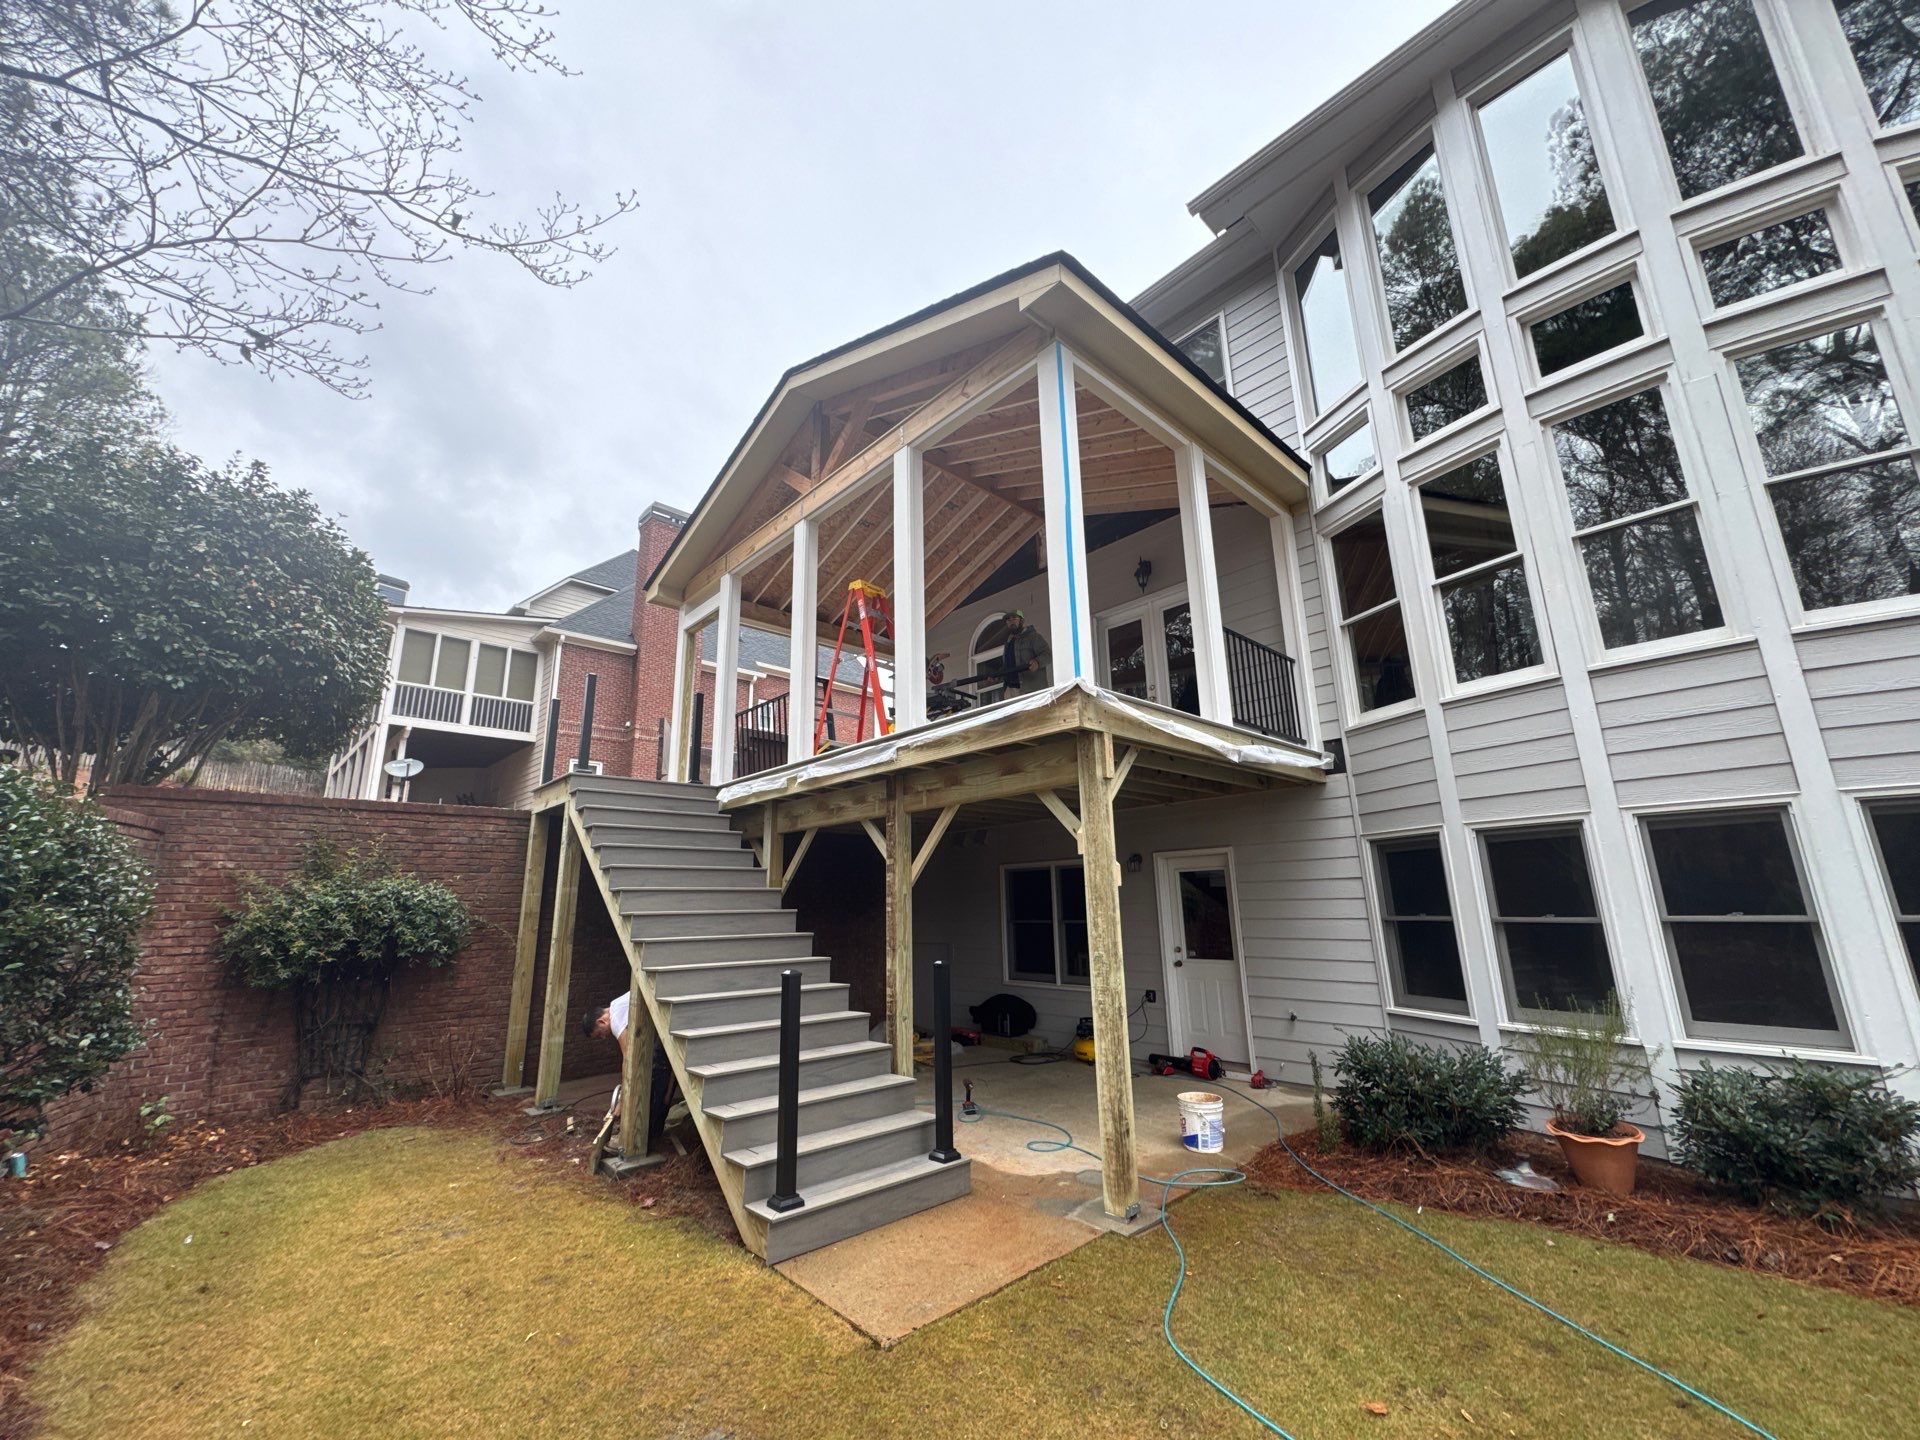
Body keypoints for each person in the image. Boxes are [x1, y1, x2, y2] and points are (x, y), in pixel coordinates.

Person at [1001, 609, 1051, 692]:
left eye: (1014, 619)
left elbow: (1048, 655)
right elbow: (1007, 666)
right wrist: (996, 676)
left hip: (1033, 690)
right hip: (1012, 691)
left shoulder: (1034, 637)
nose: (1011, 622)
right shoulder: (1008, 643)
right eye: (1008, 620)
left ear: (1022, 621)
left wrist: (1037, 662)